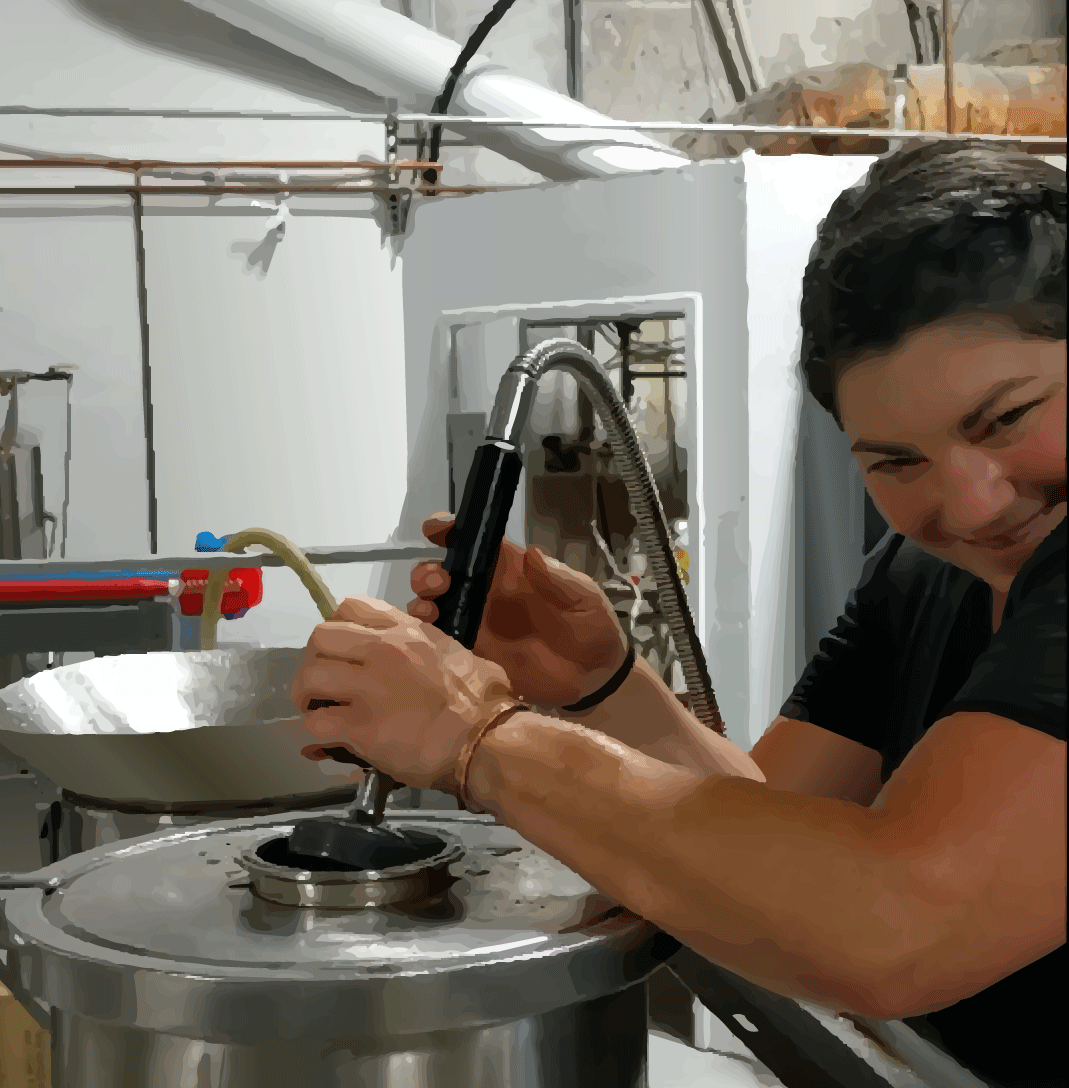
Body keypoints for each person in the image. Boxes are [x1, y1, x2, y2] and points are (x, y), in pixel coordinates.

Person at [292, 142, 1066, 1088]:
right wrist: (603, 687)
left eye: (1004, 418)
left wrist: (479, 739)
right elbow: (778, 848)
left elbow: (893, 923)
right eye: (896, 462)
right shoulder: (916, 569)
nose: (974, 500)